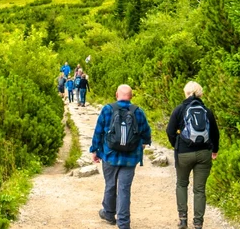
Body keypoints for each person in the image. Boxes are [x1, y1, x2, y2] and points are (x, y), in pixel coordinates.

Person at [90, 84, 152, 228]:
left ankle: (109, 214)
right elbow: (146, 133)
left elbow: (98, 131)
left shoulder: (107, 109)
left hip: (109, 155)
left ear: (117, 95)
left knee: (110, 184)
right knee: (124, 189)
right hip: (130, 158)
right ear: (131, 97)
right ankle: (123, 223)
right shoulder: (138, 111)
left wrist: (95, 151)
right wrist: (143, 143)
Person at [166, 81, 220, 229]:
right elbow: (215, 133)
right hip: (204, 153)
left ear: (186, 92)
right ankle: (198, 223)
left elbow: (170, 131)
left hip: (183, 153)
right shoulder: (207, 111)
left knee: (182, 184)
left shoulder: (179, 110)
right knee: (199, 189)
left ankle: (183, 220)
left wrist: (176, 145)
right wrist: (214, 150)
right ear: (200, 93)